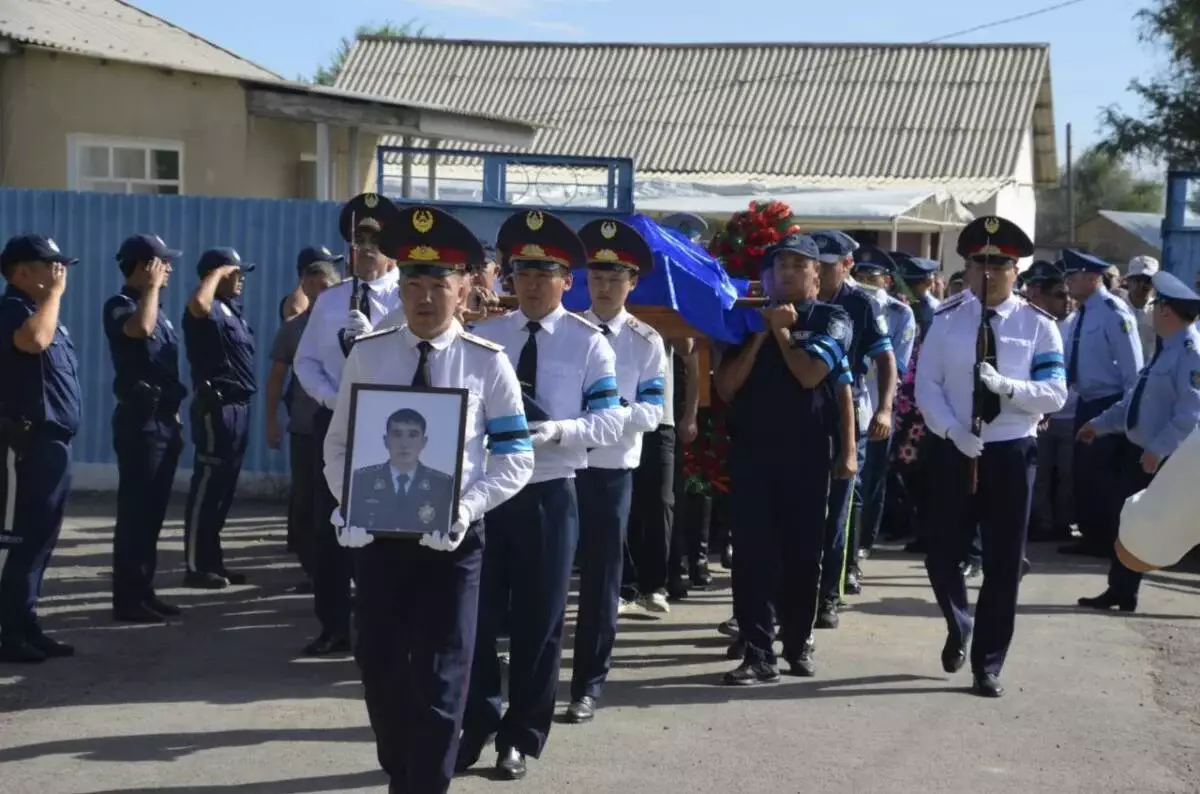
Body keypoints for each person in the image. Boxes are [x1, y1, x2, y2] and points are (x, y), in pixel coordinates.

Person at [322, 204, 535, 794]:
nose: (422, 297)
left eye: (437, 284)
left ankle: (426, 784)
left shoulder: (487, 364)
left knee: (445, 674)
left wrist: (467, 507)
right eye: (412, 282)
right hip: (379, 537)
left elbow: (516, 456)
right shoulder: (370, 354)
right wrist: (350, 504)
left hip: (453, 541)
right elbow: (339, 444)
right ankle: (402, 768)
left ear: (464, 288)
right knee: (381, 668)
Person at [459, 209, 624, 781]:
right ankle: (477, 721)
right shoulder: (486, 337)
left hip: (550, 491)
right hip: (487, 493)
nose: (530, 282)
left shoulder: (588, 345)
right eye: (522, 271)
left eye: (544, 272)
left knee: (539, 621)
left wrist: (556, 431)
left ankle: (520, 738)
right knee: (474, 616)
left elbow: (609, 423)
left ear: (566, 281)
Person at [915, 215, 1066, 698]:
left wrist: (1009, 388)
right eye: (979, 262)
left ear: (1016, 269)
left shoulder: (1038, 325)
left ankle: (989, 663)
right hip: (956, 448)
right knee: (941, 553)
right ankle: (960, 623)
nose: (988, 272)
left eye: (999, 264)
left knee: (1003, 564)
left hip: (1011, 451)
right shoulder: (946, 318)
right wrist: (952, 430)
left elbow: (1055, 393)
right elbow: (927, 386)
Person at [714, 233, 856, 683]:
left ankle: (796, 643)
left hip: (808, 454)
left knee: (802, 554)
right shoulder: (746, 321)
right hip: (753, 453)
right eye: (780, 266)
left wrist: (782, 331)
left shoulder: (833, 318)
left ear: (817, 275)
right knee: (753, 555)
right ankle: (758, 652)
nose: (788, 273)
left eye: (800, 265)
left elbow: (814, 375)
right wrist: (760, 336)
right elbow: (726, 387)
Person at [293, 193, 404, 657]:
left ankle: (386, 622)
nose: (365, 252)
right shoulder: (332, 300)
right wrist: (333, 398)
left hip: (392, 424)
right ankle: (334, 624)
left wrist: (378, 332)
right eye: (358, 243)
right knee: (331, 525)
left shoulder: (408, 295)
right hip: (337, 420)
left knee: (387, 525)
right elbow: (307, 361)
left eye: (375, 243)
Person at [567, 217, 666, 723]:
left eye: (615, 278)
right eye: (596, 277)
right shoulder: (568, 331)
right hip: (559, 470)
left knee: (602, 583)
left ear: (632, 282)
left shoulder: (645, 341)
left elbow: (652, 413)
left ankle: (587, 682)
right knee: (544, 576)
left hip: (608, 472)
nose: (604, 287)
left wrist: (603, 420)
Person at [1076, 270, 1200, 612]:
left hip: (1163, 458)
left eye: (1156, 303)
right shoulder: (1168, 349)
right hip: (1141, 451)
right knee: (1129, 519)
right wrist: (1099, 425)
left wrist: (1157, 450)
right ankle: (1121, 589)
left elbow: (1190, 413)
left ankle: (1123, 589)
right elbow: (1136, 402)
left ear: (1165, 310)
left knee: (1146, 523)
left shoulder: (1190, 352)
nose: (1151, 309)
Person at [0, 234, 80, 664]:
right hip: (24, 445)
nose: (59, 272)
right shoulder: (12, 309)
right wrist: (55, 298)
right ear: (23, 271)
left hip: (54, 444)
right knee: (15, 542)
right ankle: (7, 632)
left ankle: (26, 625)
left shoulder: (39, 310)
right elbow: (33, 341)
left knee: (41, 542)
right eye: (51, 264)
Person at [812, 230, 896, 623]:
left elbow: (885, 358)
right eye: (819, 264)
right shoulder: (802, 295)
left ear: (847, 266)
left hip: (849, 416)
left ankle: (829, 594)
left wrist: (885, 409)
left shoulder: (860, 303)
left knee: (838, 512)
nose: (822, 271)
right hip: (804, 414)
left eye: (829, 265)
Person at [104, 234, 187, 622]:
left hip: (163, 421)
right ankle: (127, 599)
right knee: (136, 513)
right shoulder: (121, 306)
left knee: (152, 513)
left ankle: (144, 590)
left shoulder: (158, 308)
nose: (168, 268)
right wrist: (150, 290)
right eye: (161, 262)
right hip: (140, 421)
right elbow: (140, 330)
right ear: (142, 266)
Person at [180, 246, 257, 589]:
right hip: (217, 406)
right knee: (207, 488)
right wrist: (215, 274)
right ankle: (196, 566)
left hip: (239, 407)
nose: (240, 280)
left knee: (224, 491)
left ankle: (214, 563)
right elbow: (198, 305)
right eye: (234, 274)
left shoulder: (231, 312)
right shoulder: (204, 307)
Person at [1060, 248, 1144, 557]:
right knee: (1084, 474)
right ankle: (1092, 535)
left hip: (1109, 404)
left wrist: (1122, 417)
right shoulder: (1081, 313)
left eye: (1074, 276)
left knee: (1104, 477)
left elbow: (1132, 372)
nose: (1068, 281)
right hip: (1085, 401)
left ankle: (1109, 539)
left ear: (1093, 278)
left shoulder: (1114, 313)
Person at [265, 249, 340, 591]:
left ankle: (337, 572)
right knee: (306, 503)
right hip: (305, 428)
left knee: (336, 503)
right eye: (313, 285)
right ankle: (314, 571)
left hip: (340, 430)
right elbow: (276, 378)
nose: (319, 292)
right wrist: (271, 423)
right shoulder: (294, 329)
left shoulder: (348, 325)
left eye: (326, 286)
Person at [852, 247, 916, 562]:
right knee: (851, 480)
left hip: (879, 404)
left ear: (886, 281)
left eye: (870, 277)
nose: (863, 282)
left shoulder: (900, 313)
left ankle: (864, 540)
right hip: (850, 402)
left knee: (873, 478)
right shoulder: (847, 304)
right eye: (859, 276)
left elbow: (898, 365)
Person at [1025, 269, 1077, 542]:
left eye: (1069, 296)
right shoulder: (1037, 325)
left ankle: (1063, 524)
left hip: (1071, 413)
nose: (1067, 301)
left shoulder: (1078, 323)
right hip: (1043, 414)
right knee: (1042, 474)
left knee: (1067, 476)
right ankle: (1042, 523)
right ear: (1044, 297)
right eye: (1060, 296)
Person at [346, 408, 456, 532]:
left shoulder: (442, 484)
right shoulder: (361, 480)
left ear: (423, 442)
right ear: (386, 441)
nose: (404, 444)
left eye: (413, 435)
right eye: (397, 435)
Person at [895, 253, 941, 341]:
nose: (905, 289)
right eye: (903, 283)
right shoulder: (898, 303)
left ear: (928, 282)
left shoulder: (934, 310)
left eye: (911, 284)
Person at [1123, 255, 1159, 363]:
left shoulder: (1159, 312)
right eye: (1138, 280)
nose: (1142, 285)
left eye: (1147, 280)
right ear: (1128, 281)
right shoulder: (1115, 309)